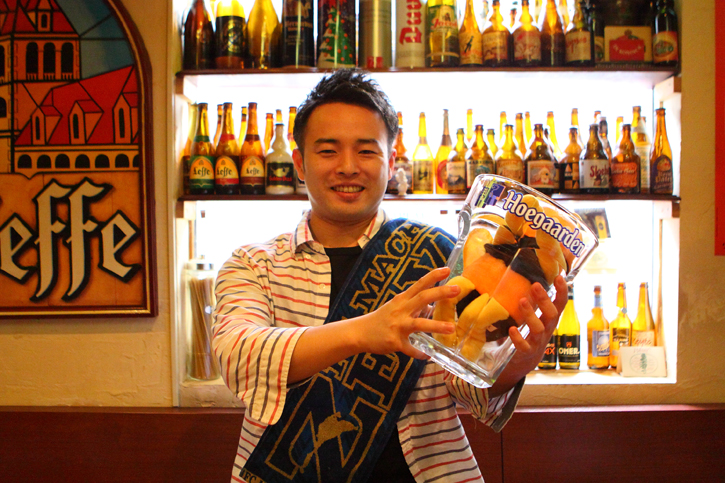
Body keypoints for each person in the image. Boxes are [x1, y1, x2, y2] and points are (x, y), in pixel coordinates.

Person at [212, 69, 567, 483]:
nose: (348, 167)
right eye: (328, 151)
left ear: (391, 162)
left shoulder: (442, 255)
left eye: (366, 151)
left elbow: (467, 385)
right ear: (300, 164)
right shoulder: (255, 264)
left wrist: (516, 360)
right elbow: (238, 356)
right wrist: (363, 332)